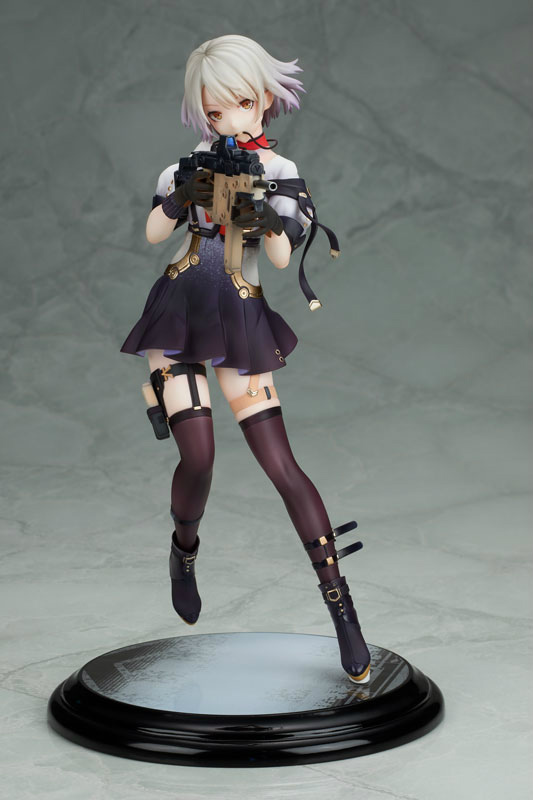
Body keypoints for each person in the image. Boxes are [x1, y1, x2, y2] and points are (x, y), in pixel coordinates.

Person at [120, 34, 371, 683]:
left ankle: (343, 612)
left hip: (238, 321)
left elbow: (282, 259)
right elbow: (152, 231)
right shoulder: (186, 166)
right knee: (199, 455)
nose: (230, 118)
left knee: (280, 464)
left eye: (240, 102)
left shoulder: (280, 169)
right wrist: (183, 195)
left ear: (262, 97)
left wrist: (257, 211)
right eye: (214, 110)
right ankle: (184, 551)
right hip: (178, 315)